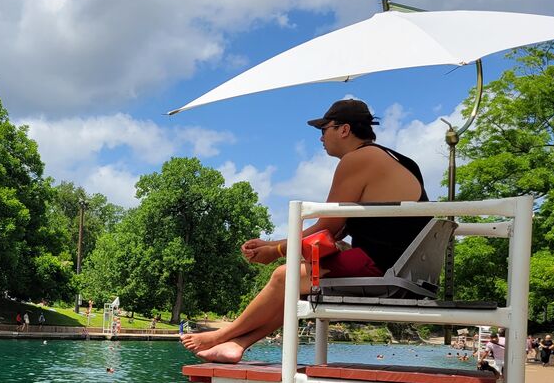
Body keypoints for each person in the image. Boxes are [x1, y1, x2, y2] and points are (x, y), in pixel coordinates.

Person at [182, 99, 430, 363]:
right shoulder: (396, 159)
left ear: (344, 129)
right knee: (295, 280)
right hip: (406, 268)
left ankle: (222, 335)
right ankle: (237, 344)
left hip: (385, 270)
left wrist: (275, 251)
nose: (321, 137)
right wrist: (270, 245)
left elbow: (326, 227)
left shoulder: (358, 159)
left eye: (324, 129)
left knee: (284, 276)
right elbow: (334, 231)